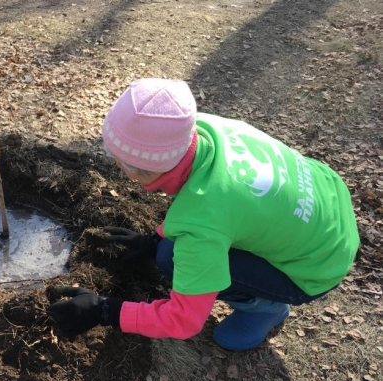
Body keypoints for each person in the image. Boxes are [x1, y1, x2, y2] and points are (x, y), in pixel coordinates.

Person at [47, 78, 360, 351]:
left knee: (174, 259)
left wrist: (103, 310)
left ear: (148, 173)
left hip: (318, 265)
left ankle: (265, 308)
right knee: (169, 249)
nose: (120, 170)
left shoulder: (201, 223)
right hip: (328, 198)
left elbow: (183, 321)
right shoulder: (203, 129)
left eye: (122, 165)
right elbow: (208, 201)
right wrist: (152, 240)